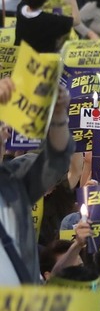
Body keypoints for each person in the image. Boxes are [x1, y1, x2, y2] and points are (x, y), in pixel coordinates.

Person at [0, 81, 72, 285]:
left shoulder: (14, 181)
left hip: (21, 308)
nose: (5, 132)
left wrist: (58, 116)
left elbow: (57, 159)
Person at [15, 0, 92, 52]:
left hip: (19, 56)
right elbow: (76, 20)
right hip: (43, 61)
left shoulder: (20, 8)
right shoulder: (51, 20)